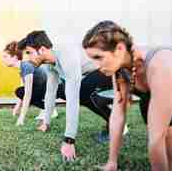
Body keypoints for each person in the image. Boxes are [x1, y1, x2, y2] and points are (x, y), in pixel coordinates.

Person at [82, 20, 172, 171]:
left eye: (98, 57)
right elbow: (117, 116)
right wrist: (112, 162)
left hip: (169, 84)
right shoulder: (120, 69)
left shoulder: (161, 65)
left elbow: (155, 140)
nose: (96, 66)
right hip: (152, 95)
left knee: (164, 144)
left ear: (119, 48)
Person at [17, 30, 120, 161]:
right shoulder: (50, 63)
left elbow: (73, 100)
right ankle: (113, 120)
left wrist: (69, 140)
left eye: (29, 53)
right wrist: (46, 122)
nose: (27, 59)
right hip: (97, 72)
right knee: (67, 90)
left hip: (113, 68)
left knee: (81, 92)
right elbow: (50, 92)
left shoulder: (67, 56)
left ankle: (115, 123)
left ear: (42, 50)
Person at [2, 41, 61, 126]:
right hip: (45, 89)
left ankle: (49, 109)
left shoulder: (26, 67)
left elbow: (28, 94)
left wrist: (21, 118)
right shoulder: (22, 68)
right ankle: (49, 108)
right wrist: (16, 109)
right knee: (20, 91)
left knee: (21, 92)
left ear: (14, 57)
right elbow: (23, 91)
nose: (3, 59)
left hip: (54, 88)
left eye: (5, 56)